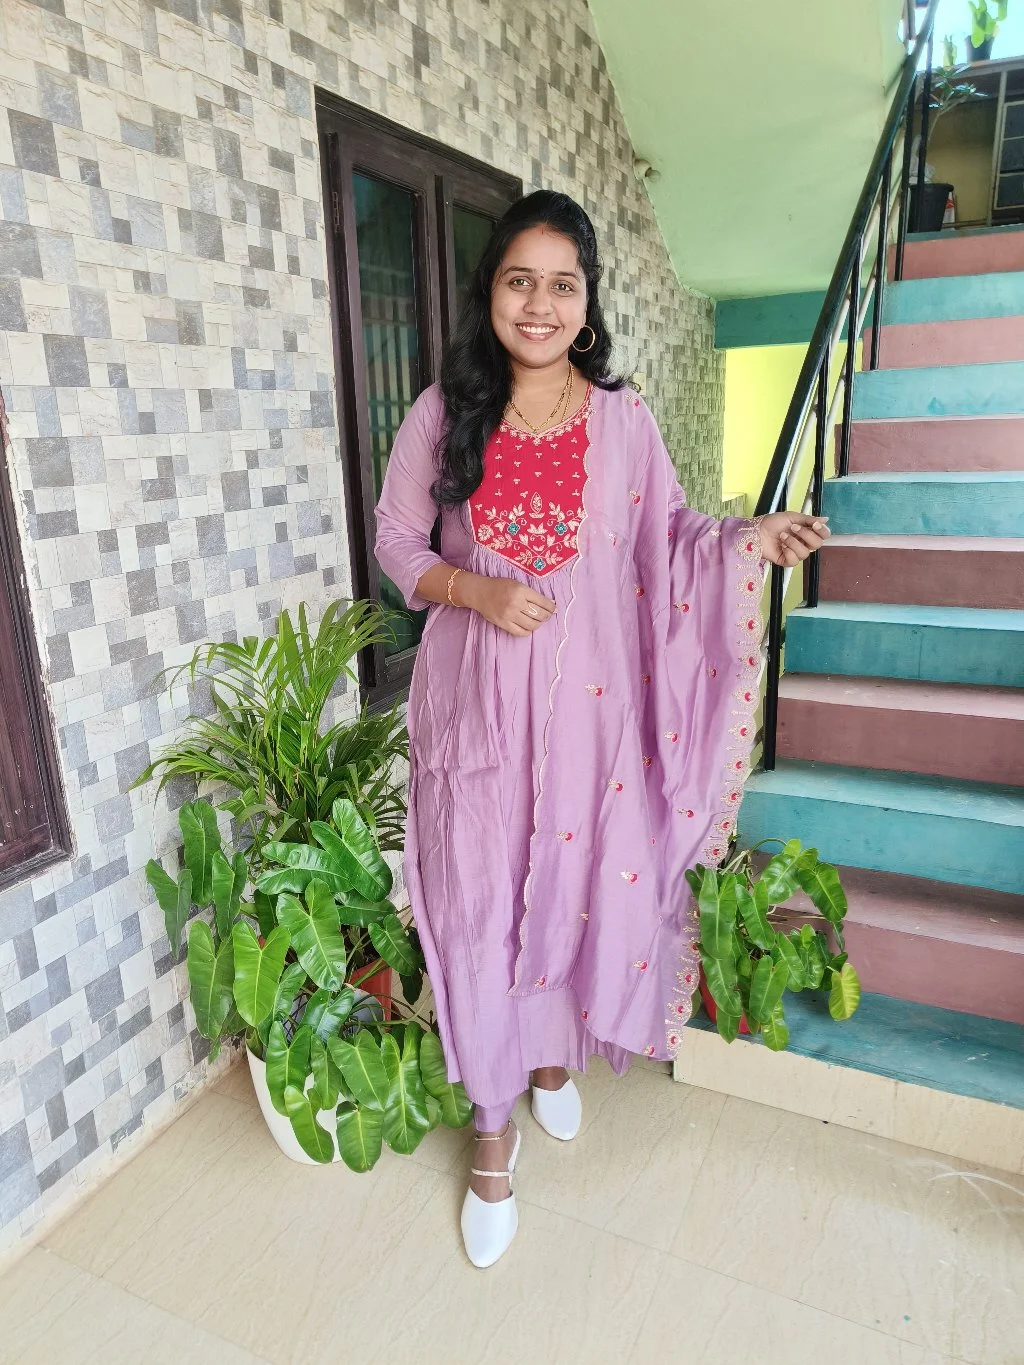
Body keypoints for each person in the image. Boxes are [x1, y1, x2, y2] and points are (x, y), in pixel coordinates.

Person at [374, 190, 828, 1268]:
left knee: (576, 884)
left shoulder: (620, 419)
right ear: (491, 293)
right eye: (517, 280)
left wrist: (742, 541)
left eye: (561, 284)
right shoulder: (445, 411)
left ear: (586, 307)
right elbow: (396, 543)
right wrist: (476, 592)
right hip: (478, 707)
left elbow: (668, 537)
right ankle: (490, 1126)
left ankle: (547, 1061)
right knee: (480, 899)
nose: (538, 303)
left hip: (591, 719)